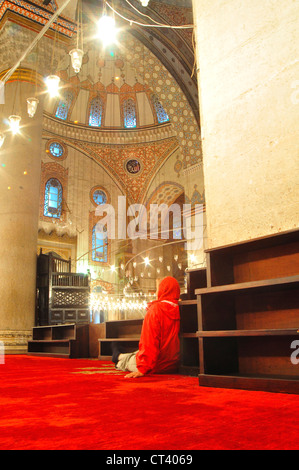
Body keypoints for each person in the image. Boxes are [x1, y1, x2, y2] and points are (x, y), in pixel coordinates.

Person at [111, 276, 181, 379]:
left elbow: (149, 341)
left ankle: (118, 358)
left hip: (156, 365)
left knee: (126, 362)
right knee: (137, 354)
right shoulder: (179, 308)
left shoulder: (155, 310)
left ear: (162, 290)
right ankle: (118, 355)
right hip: (173, 364)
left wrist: (143, 369)